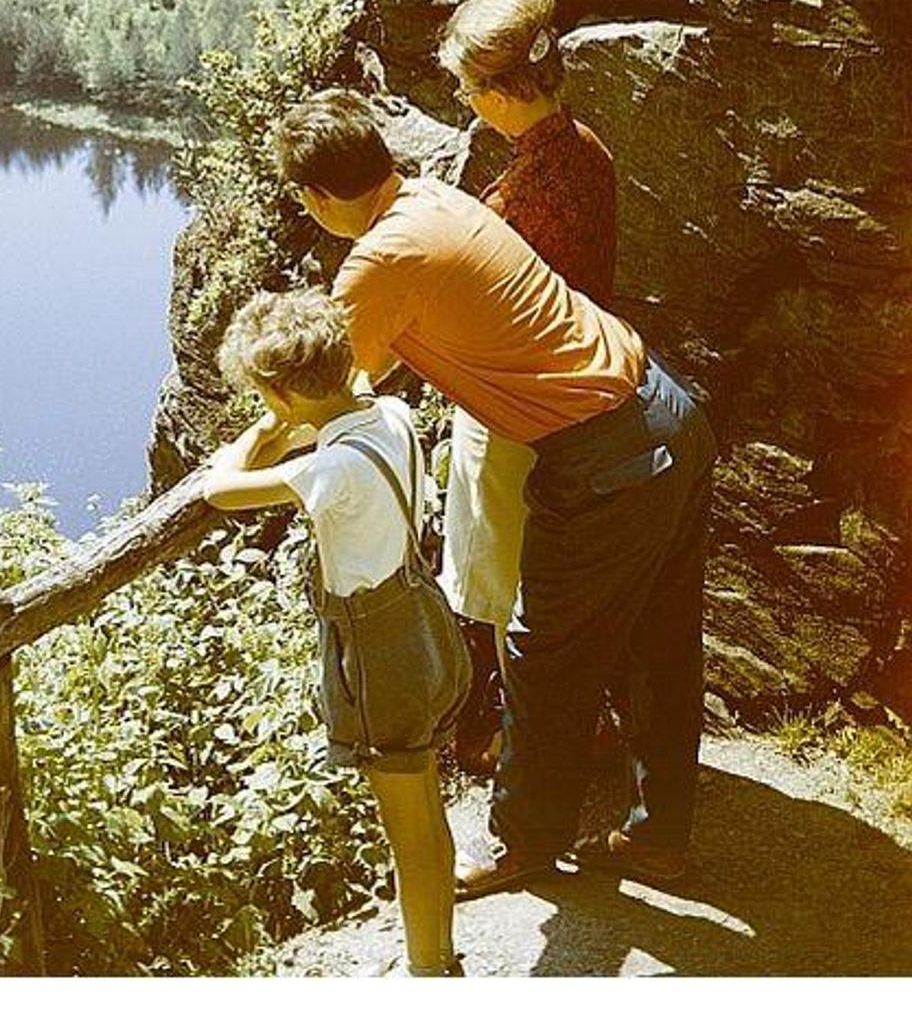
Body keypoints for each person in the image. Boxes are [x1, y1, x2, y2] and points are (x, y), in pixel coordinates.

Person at [271, 89, 715, 899]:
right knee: (660, 644)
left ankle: (521, 846)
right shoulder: (433, 198)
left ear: (317, 196)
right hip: (667, 411)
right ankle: (658, 840)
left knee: (540, 655)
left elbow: (310, 397)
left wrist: (242, 459)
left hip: (607, 456)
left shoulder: (378, 262)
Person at [204, 288, 471, 976]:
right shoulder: (390, 414)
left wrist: (265, 430)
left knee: (408, 832)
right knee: (427, 812)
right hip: (424, 627)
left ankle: (427, 974)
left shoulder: (332, 469)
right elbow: (324, 426)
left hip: (382, 659)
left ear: (282, 396)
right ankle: (441, 952)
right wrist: (289, 412)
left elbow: (220, 488)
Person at [437, 0, 619, 764]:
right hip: (567, 395)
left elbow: (505, 303)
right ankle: (566, 727)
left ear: (505, 92)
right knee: (542, 573)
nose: (466, 102)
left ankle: (528, 748)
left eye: (471, 88)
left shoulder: (538, 184)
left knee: (503, 576)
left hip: (518, 404)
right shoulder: (582, 149)